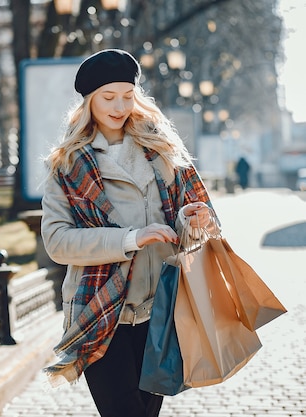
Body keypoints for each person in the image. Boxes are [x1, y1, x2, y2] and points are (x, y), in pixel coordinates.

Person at [40, 49, 219, 417]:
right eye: (108, 97)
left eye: (127, 95)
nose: (119, 106)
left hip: (160, 311)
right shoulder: (68, 164)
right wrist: (131, 239)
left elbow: (189, 227)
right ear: (89, 101)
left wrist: (193, 221)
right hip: (101, 313)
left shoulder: (163, 151)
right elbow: (58, 242)